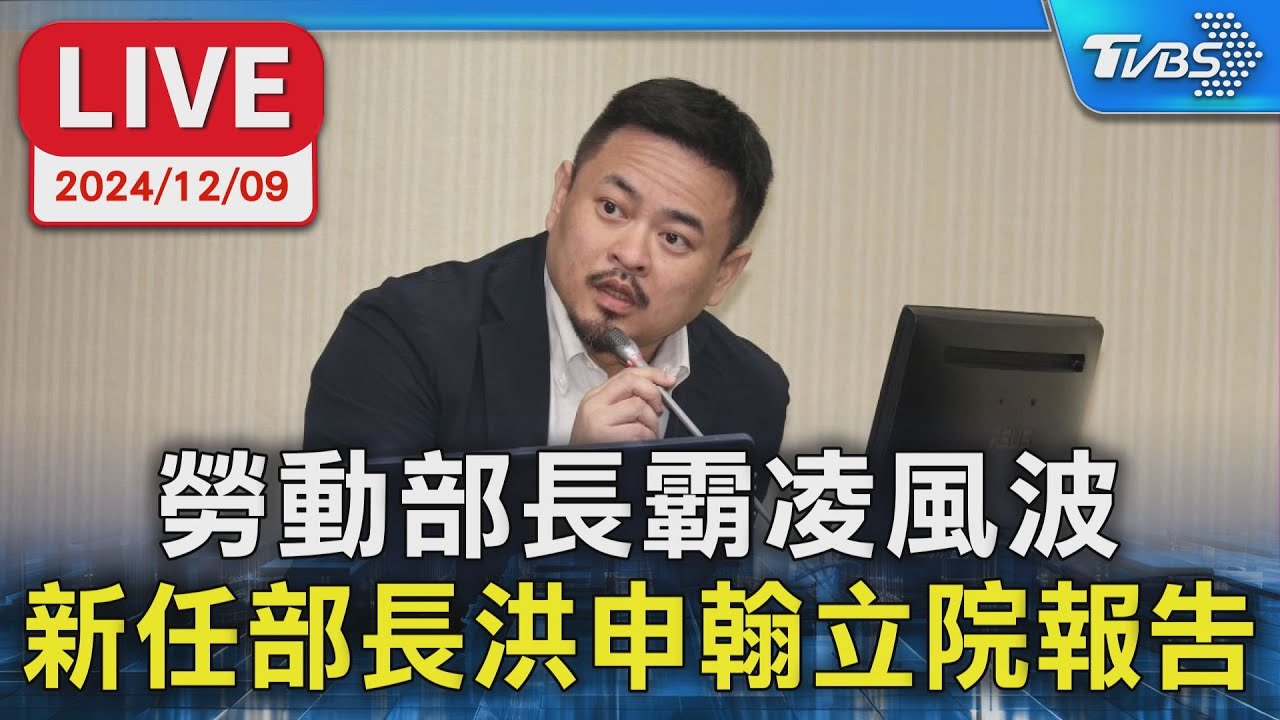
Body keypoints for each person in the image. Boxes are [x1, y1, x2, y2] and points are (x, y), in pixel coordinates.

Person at [304, 77, 789, 465]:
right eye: (612, 208)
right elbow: (358, 549)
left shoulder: (750, 393)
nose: (630, 254)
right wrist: (564, 483)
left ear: (724, 275)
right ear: (561, 196)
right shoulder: (403, 337)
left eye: (674, 238)